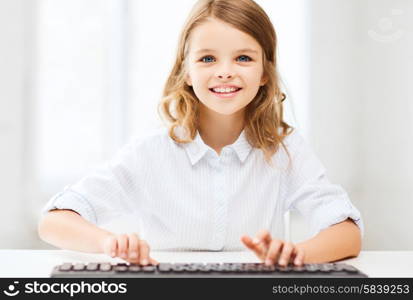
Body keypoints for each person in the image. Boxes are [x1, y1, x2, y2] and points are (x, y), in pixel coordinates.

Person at [38, 0, 363, 268]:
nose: (225, 70)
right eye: (207, 58)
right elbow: (53, 221)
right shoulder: (149, 152)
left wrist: (298, 255)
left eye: (243, 58)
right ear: (186, 71)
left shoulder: (283, 150)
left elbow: (347, 233)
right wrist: (109, 242)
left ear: (265, 72)